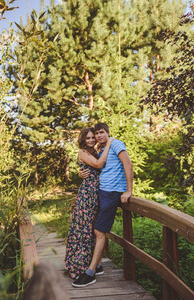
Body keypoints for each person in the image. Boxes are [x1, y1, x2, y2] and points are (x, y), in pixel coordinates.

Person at [72, 123, 133, 288]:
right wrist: (80, 172)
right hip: (101, 192)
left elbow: (128, 165)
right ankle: (97, 265)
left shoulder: (116, 143)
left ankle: (90, 272)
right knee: (94, 227)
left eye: (100, 133)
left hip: (112, 193)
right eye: (95, 134)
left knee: (99, 231)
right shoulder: (100, 149)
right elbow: (94, 167)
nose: (98, 136)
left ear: (108, 133)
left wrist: (128, 191)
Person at [64, 127, 114, 279]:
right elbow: (99, 165)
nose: (92, 140)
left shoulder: (95, 151)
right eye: (88, 138)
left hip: (98, 195)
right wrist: (109, 144)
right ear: (83, 140)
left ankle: (90, 264)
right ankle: (74, 267)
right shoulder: (83, 152)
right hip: (87, 195)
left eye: (93, 137)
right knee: (81, 229)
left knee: (93, 230)